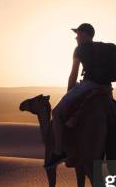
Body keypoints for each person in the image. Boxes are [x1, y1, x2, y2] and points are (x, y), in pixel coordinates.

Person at [44, 23, 111, 168]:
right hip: (107, 89)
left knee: (56, 113)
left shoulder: (80, 49)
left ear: (86, 34)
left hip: (88, 85)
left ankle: (58, 152)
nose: (76, 37)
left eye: (78, 34)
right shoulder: (104, 49)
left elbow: (73, 74)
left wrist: (69, 94)